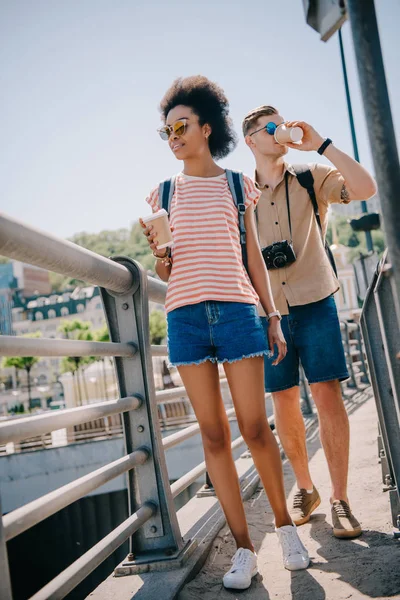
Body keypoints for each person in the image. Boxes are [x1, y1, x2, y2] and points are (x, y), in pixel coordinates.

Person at [140, 77, 310, 591]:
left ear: (206, 127)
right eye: (165, 129)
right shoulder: (162, 193)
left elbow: (252, 256)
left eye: (181, 125)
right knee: (214, 437)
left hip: (238, 312)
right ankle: (244, 548)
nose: (172, 135)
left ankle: (285, 528)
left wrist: (272, 313)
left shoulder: (238, 185)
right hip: (185, 319)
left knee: (256, 429)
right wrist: (161, 251)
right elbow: (167, 274)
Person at [242, 105, 377, 539]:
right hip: (268, 313)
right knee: (283, 402)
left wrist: (319, 143)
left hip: (316, 300)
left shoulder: (309, 174)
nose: (279, 130)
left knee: (326, 395)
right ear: (251, 140)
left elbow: (365, 187)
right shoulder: (240, 192)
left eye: (279, 123)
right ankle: (306, 488)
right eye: (269, 127)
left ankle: (340, 499)